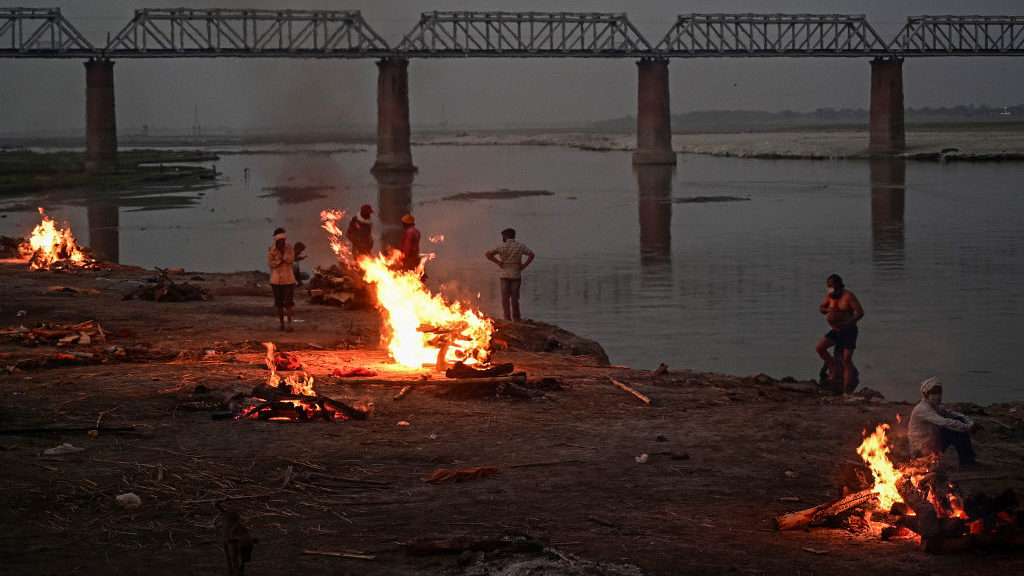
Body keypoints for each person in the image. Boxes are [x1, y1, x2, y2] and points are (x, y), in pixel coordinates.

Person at [908, 377, 985, 468]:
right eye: (934, 393)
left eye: (939, 392)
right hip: (921, 451)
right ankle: (967, 462)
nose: (938, 395)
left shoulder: (937, 407)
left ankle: (968, 461)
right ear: (925, 395)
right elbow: (944, 422)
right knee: (955, 430)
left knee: (957, 424)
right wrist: (968, 428)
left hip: (932, 444)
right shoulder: (922, 409)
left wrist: (970, 423)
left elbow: (956, 415)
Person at [815, 273, 864, 394]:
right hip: (836, 331)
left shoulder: (848, 296)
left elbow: (860, 312)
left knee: (846, 360)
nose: (829, 289)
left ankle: (846, 391)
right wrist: (828, 310)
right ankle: (834, 369)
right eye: (828, 287)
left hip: (849, 331)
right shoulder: (830, 296)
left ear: (838, 285)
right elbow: (821, 308)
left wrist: (849, 322)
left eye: (831, 286)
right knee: (820, 348)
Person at [485, 227, 535, 322]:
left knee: (505, 298)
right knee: (515, 298)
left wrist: (498, 262)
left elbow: (488, 254)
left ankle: (507, 317)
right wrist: (524, 265)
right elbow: (532, 255)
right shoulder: (520, 246)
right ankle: (516, 318)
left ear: (505, 236)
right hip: (516, 275)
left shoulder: (501, 246)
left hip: (504, 275)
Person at [267, 227, 297, 332]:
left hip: (288, 280)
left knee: (289, 304)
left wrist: (283, 254)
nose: (282, 243)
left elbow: (290, 260)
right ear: (276, 240)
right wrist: (278, 262)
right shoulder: (272, 250)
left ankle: (289, 324)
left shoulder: (289, 248)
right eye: (280, 241)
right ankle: (281, 324)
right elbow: (270, 263)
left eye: (283, 240)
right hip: (276, 281)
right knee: (279, 304)